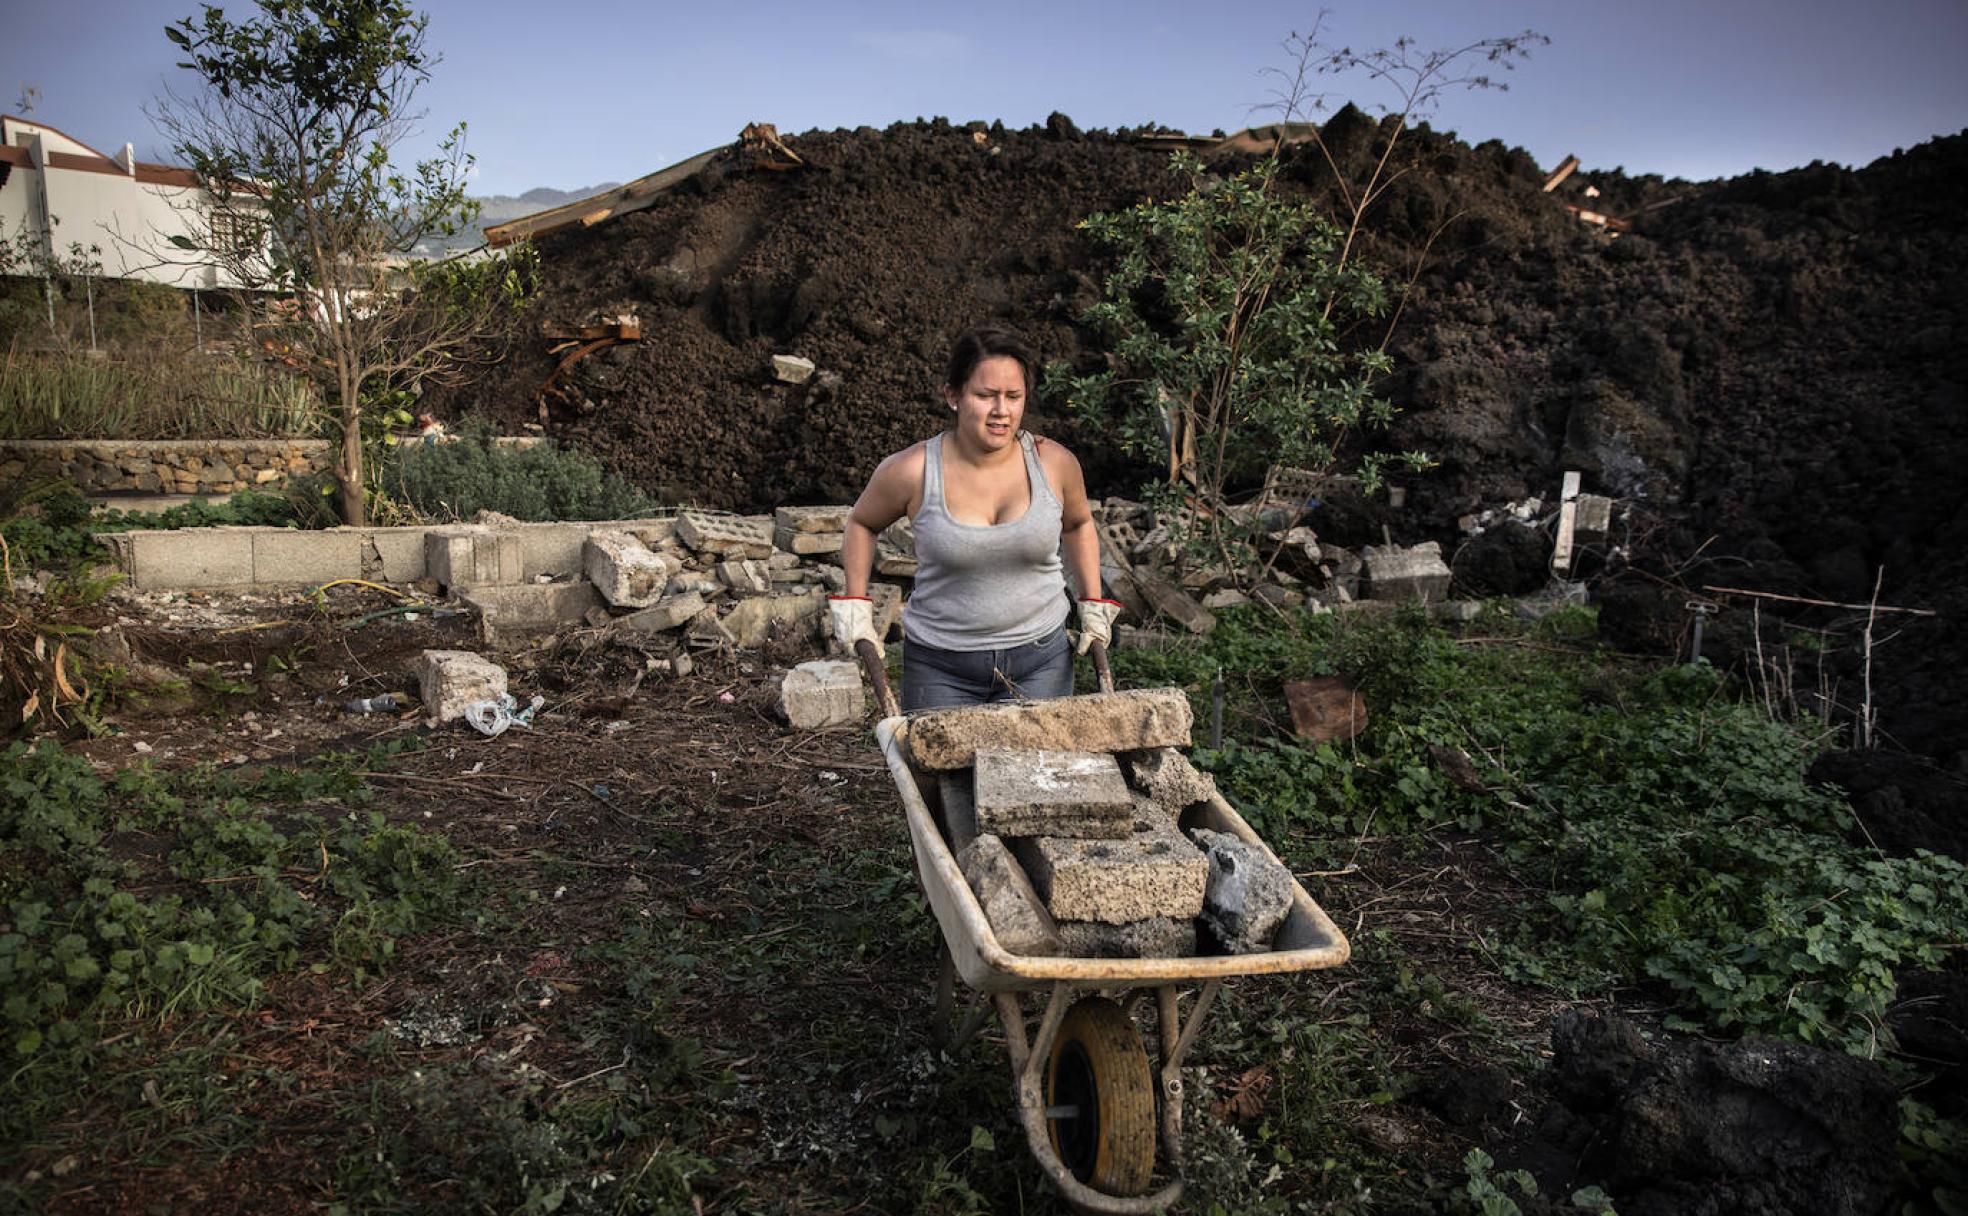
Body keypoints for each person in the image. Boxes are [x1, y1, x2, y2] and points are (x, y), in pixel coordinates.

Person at [829, 326, 1121, 712]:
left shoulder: (1054, 464)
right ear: (953, 395)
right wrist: (856, 601)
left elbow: (1078, 524)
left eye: (1013, 397)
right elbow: (862, 523)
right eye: (985, 396)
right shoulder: (913, 471)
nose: (1001, 411)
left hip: (1040, 661)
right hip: (941, 665)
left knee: (1033, 770)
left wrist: (1092, 600)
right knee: (944, 772)